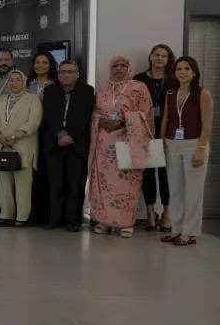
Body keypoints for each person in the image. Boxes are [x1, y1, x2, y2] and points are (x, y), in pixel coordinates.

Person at [88, 56, 153, 238]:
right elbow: (95, 112)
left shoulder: (138, 87)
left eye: (123, 65)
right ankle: (103, 221)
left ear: (129, 68)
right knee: (104, 182)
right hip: (104, 142)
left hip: (129, 140)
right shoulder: (103, 88)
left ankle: (126, 223)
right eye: (115, 65)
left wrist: (123, 120)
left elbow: (145, 113)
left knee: (127, 183)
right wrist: (101, 121)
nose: (118, 68)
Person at [160, 56, 213, 246]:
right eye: (179, 69)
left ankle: (190, 232)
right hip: (172, 143)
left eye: (186, 69)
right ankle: (176, 228)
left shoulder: (202, 93)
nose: (182, 72)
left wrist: (201, 148)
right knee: (175, 190)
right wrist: (161, 142)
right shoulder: (171, 93)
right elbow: (166, 119)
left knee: (193, 191)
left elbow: (207, 124)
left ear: (194, 72)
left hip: (194, 143)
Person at [42, 61, 95, 232]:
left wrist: (69, 135)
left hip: (76, 143)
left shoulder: (87, 91)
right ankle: (54, 218)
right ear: (58, 74)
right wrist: (60, 134)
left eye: (70, 72)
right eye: (62, 71)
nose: (66, 75)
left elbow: (84, 117)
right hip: (54, 143)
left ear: (77, 74)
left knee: (75, 184)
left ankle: (73, 220)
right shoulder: (50, 91)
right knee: (55, 183)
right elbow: (49, 115)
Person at [0, 69, 42, 226]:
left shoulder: (32, 99)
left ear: (24, 82)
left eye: (18, 79)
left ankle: (22, 216)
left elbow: (34, 122)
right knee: (4, 184)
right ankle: (6, 214)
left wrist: (15, 136)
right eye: (11, 80)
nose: (14, 83)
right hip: (2, 145)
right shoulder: (1, 99)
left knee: (23, 184)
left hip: (22, 145)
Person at [134, 43, 176, 232]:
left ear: (168, 59)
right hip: (145, 131)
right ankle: (150, 213)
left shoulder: (174, 80)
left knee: (167, 174)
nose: (160, 58)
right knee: (148, 173)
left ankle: (166, 213)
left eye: (164, 56)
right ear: (150, 57)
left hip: (168, 132)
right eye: (157, 55)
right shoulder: (139, 79)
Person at [27, 51, 58, 226]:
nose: (40, 65)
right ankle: (32, 212)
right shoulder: (27, 84)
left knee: (47, 172)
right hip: (29, 133)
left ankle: (48, 214)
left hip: (48, 133)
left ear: (51, 65)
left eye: (44, 62)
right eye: (37, 62)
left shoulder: (55, 85)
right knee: (31, 172)